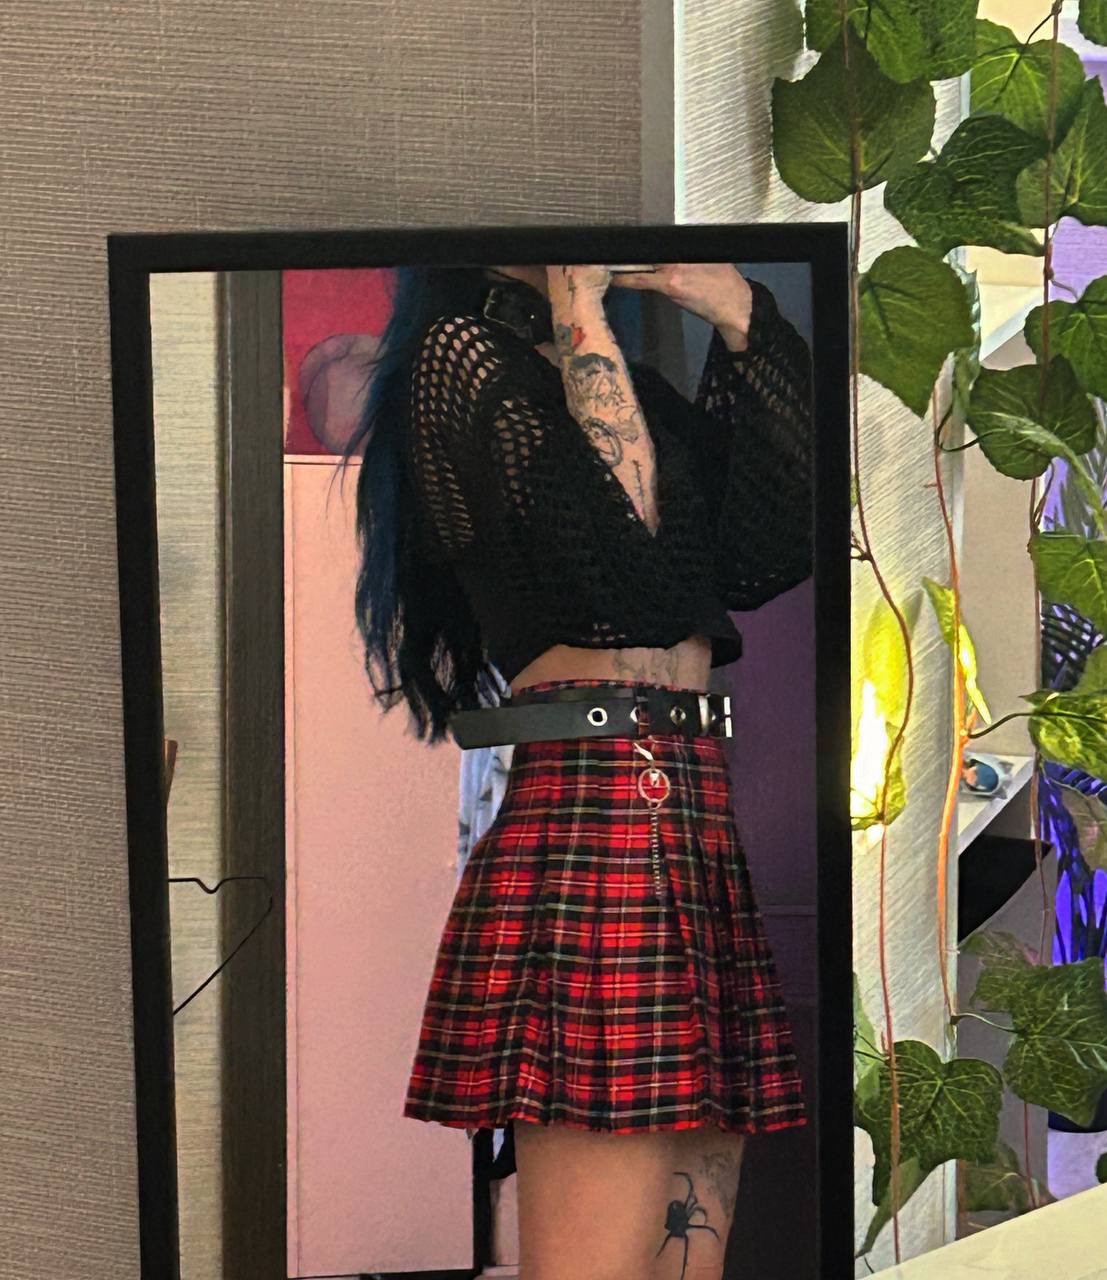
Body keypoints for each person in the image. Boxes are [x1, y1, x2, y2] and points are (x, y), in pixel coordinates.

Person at [337, 260, 815, 1280]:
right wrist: (582, 303)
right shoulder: (461, 357)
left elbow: (769, 549)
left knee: (687, 1256)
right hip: (595, 806)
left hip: (687, 806)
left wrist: (739, 313)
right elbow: (626, 567)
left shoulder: (619, 381)